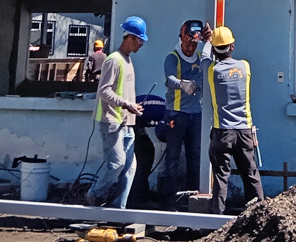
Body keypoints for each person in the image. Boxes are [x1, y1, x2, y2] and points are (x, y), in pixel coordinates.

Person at [84, 17, 146, 209]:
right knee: (117, 164)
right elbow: (104, 91)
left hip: (127, 123)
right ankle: (94, 195)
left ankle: (118, 209)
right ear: (131, 38)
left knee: (130, 168)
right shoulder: (113, 60)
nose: (141, 44)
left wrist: (132, 106)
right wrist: (126, 104)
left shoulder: (127, 60)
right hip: (112, 122)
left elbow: (121, 92)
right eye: (140, 40)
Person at [203, 25, 265, 214]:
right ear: (232, 47)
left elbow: (205, 57)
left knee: (221, 177)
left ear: (215, 49)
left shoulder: (212, 70)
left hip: (222, 132)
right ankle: (260, 215)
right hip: (245, 131)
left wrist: (207, 41)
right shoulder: (245, 66)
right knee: (251, 174)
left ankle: (216, 219)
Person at [161, 20, 208, 209]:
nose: (190, 47)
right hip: (177, 114)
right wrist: (182, 84)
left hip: (196, 115)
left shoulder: (199, 59)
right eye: (187, 43)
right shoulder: (172, 58)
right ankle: (169, 200)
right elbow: (170, 79)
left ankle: (192, 197)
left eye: (194, 44)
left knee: (194, 156)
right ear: (181, 39)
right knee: (172, 157)